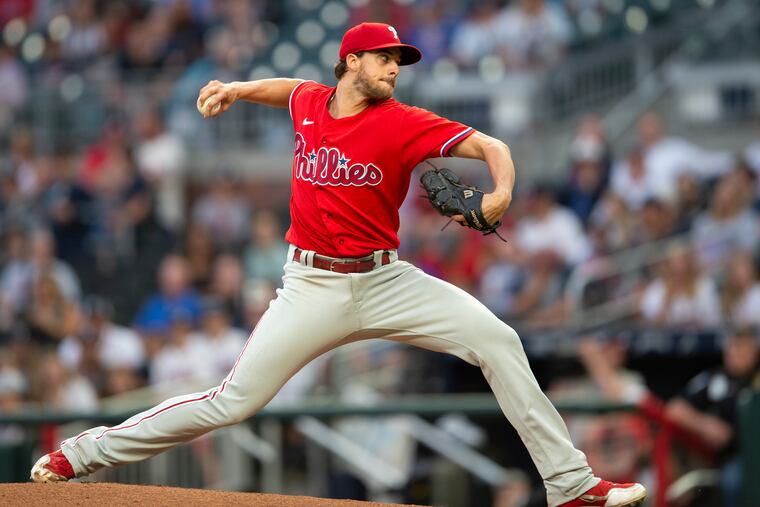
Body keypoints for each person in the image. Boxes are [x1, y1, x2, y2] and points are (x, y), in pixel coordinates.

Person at [31, 22, 646, 507]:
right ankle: (81, 454)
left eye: (398, 63)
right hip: (311, 286)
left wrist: (502, 190)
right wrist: (237, 88)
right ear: (352, 62)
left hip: (386, 280)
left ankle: (569, 484)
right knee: (232, 402)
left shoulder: (403, 123)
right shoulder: (310, 102)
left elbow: (492, 145)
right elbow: (287, 89)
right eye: (384, 59)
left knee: (498, 339)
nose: (393, 70)